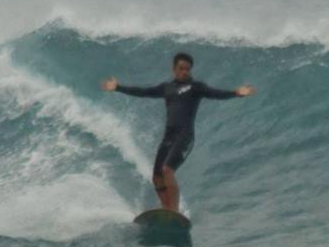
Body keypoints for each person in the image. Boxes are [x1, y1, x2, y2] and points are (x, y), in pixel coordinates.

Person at [101, 51, 254, 214]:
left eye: (188, 69)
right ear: (174, 69)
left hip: (185, 136)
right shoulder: (167, 88)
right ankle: (168, 208)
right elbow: (143, 92)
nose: (185, 72)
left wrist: (236, 93)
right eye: (182, 68)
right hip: (169, 137)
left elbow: (216, 94)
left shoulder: (196, 87)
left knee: (167, 170)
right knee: (157, 177)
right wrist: (118, 87)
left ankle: (173, 211)